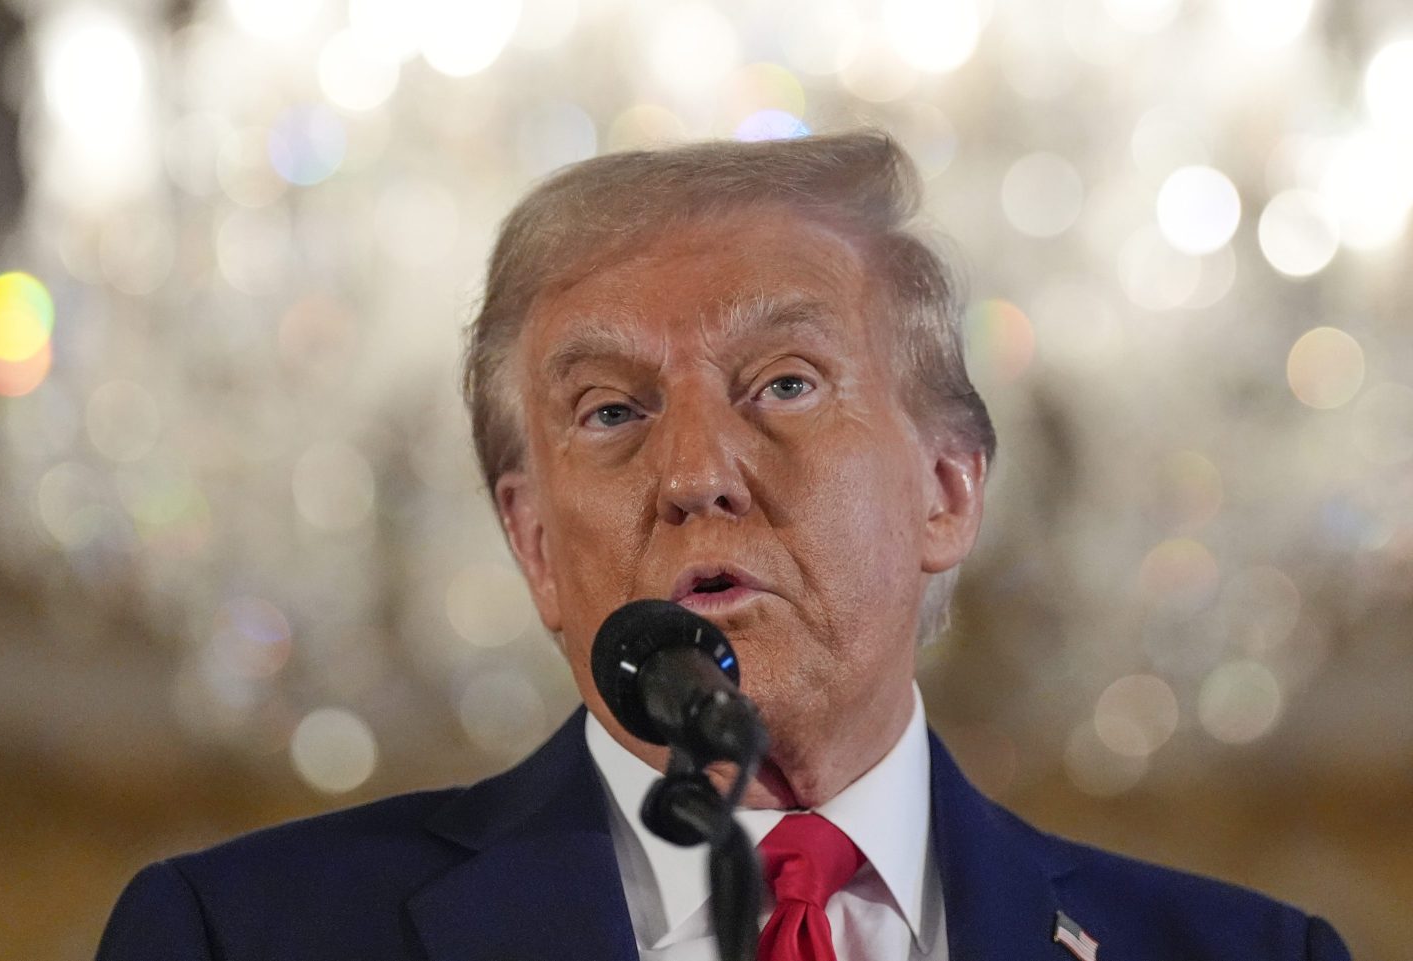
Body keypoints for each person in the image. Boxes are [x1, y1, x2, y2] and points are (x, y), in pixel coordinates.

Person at [96, 131, 1351, 961]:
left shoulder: (1249, 953)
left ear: (949, 491)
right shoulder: (242, 933)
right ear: (533, 544)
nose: (695, 473)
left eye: (787, 383)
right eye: (611, 412)